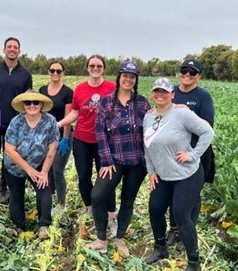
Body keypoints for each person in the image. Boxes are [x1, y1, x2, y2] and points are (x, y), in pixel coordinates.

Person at [143, 77, 214, 271]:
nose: (160, 94)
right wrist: (151, 172)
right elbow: (147, 146)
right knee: (155, 209)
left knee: (181, 215)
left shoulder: (183, 114)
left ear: (172, 94)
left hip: (187, 174)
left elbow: (208, 132)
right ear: (153, 93)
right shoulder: (148, 117)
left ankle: (193, 261)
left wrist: (192, 154)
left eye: (165, 91)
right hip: (163, 175)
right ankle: (160, 248)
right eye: (157, 91)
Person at [88, 61, 150, 257]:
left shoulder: (142, 102)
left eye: (132, 77)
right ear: (119, 77)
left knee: (128, 200)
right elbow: (100, 134)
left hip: (137, 161)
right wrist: (106, 160)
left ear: (136, 80)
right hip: (114, 160)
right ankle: (101, 239)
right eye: (125, 75)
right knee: (97, 196)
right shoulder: (106, 102)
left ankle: (120, 238)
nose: (128, 79)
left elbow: (152, 128)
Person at [57, 55, 117, 231]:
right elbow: (76, 112)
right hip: (82, 139)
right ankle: (89, 207)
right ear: (88, 68)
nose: (95, 68)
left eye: (99, 65)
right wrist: (59, 124)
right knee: (83, 176)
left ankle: (111, 215)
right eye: (92, 65)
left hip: (104, 141)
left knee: (106, 177)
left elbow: (124, 105)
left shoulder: (112, 87)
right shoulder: (80, 89)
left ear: (103, 68)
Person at [166, 59, 215, 249]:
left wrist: (188, 114)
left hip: (197, 152)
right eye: (184, 70)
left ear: (199, 76)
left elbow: (208, 126)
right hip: (174, 152)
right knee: (173, 191)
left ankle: (187, 232)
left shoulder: (203, 96)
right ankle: (174, 230)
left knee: (193, 194)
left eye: (192, 72)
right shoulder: (171, 93)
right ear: (179, 72)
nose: (187, 74)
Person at [4, 90, 59, 239]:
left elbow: (52, 148)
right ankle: (19, 226)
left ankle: (44, 225)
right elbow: (9, 149)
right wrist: (28, 169)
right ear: (23, 105)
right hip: (15, 166)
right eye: (28, 103)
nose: (32, 105)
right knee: (16, 193)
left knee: (44, 189)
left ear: (41, 104)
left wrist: (44, 172)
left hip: (39, 163)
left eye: (36, 102)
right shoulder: (16, 122)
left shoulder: (50, 121)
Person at [0, 37, 33, 203]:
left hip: (15, 124)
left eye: (15, 47)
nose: (12, 49)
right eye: (9, 47)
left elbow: (28, 100)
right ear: (4, 49)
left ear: (19, 51)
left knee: (9, 158)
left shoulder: (25, 74)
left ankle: (4, 189)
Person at [39, 60, 73, 209]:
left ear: (63, 73)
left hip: (62, 134)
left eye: (58, 71)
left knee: (57, 170)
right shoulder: (42, 90)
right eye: (53, 70)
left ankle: (61, 204)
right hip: (44, 136)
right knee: (47, 169)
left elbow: (68, 116)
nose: (55, 73)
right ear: (48, 72)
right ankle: (49, 198)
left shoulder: (67, 92)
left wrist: (65, 138)